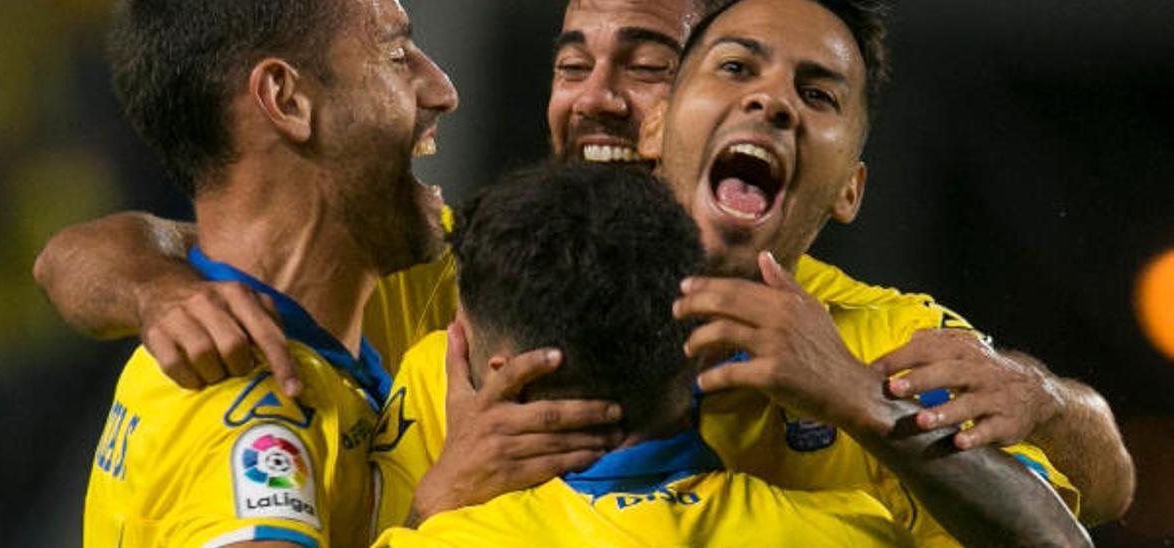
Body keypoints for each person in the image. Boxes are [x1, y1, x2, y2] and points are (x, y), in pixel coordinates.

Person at [36, 0, 1131, 536]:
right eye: (571, 60)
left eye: (644, 61)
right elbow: (118, 249)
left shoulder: (880, 343)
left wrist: (1038, 394)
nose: (596, 93)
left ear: (850, 184)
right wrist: (150, 282)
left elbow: (1100, 484)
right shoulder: (476, 275)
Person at [377, 161, 1087, 546]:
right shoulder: (857, 530)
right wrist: (867, 403)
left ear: (500, 380)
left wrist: (429, 512)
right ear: (700, 356)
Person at [80, 0, 464, 545]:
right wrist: (442, 511)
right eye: (398, 56)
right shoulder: (246, 414)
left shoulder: (326, 338)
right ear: (287, 99)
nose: (443, 90)